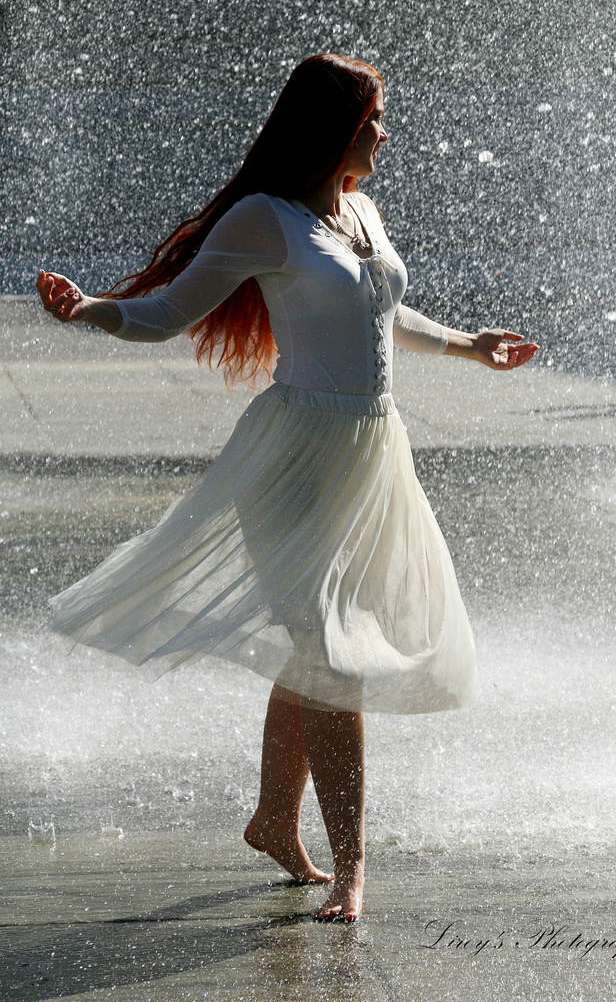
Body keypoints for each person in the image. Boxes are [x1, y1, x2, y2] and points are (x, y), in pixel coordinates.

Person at [36, 52, 539, 922]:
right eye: (373, 118)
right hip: (297, 454)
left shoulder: (360, 210)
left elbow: (382, 310)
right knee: (333, 656)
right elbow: (167, 314)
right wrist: (89, 310)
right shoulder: (265, 220)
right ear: (335, 127)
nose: (385, 132)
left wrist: (468, 344)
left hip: (375, 451)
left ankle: (275, 819)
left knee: (319, 645)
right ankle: (352, 871)